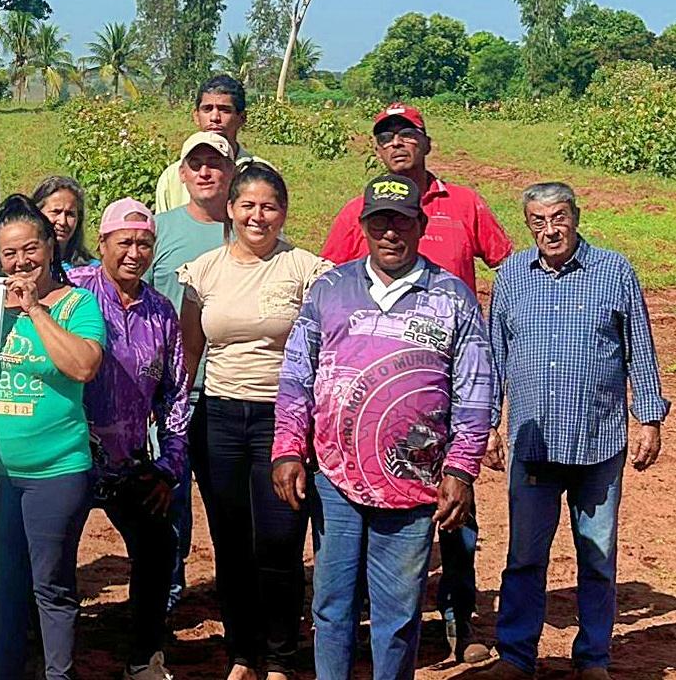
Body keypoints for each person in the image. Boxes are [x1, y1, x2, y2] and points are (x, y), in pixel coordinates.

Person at [273, 174, 493, 680]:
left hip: (412, 485)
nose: (390, 233)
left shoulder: (453, 297)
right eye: (379, 223)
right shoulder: (329, 290)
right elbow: (296, 375)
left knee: (397, 616)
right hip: (335, 479)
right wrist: (287, 448)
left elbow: (477, 389)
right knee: (332, 608)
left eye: (401, 222)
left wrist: (461, 469)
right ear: (363, 227)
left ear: (420, 225)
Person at [319, 103, 512, 662]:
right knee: (370, 529)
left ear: (427, 143)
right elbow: (329, 281)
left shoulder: (465, 203)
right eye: (386, 138)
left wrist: (497, 350)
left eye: (407, 135)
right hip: (375, 404)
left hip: (448, 386)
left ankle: (459, 621)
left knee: (457, 516)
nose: (397, 145)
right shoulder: (358, 210)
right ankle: (373, 626)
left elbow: (508, 268)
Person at [480, 183, 668, 680]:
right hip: (533, 443)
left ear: (576, 216)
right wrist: (488, 425)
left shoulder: (614, 270)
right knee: (524, 556)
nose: (550, 230)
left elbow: (640, 348)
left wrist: (649, 417)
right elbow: (494, 359)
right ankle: (515, 656)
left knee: (598, 557)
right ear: (528, 225)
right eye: (538, 221)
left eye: (559, 217)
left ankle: (593, 659)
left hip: (598, 442)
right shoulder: (512, 276)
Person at [177, 163, 331, 680]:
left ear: (283, 213)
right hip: (218, 418)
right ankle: (242, 653)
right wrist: (174, 418)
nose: (257, 216)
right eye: (248, 205)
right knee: (231, 543)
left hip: (282, 420)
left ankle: (282, 656)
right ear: (230, 209)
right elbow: (190, 353)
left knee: (280, 541)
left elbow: (327, 348)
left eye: (269, 207)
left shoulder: (307, 270)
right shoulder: (203, 272)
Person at [0, 195, 106, 680]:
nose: (21, 262)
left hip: (55, 472)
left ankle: (59, 674)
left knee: (50, 585)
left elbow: (83, 366)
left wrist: (35, 309)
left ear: (50, 247)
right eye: (9, 253)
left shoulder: (78, 304)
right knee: (1, 584)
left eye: (30, 249)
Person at [69, 198, 190, 680]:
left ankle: (144, 658)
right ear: (102, 244)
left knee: (158, 548)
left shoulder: (161, 312)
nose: (134, 254)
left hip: (130, 463)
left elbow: (176, 394)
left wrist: (169, 468)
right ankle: (49, 652)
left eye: (144, 244)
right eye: (124, 242)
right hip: (68, 458)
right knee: (52, 557)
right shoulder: (73, 292)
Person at [145, 130, 236, 613]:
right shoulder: (158, 230)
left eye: (215, 164)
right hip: (169, 391)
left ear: (231, 172)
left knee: (228, 500)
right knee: (169, 498)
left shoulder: (247, 228)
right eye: (195, 164)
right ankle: (168, 595)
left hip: (229, 390)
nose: (205, 172)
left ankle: (235, 592)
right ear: (181, 174)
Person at [153, 74, 258, 214]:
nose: (214, 117)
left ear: (242, 118)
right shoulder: (172, 177)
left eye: (225, 110)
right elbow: (164, 225)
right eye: (207, 109)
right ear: (196, 116)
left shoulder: (259, 172)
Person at [34, 175, 95, 268]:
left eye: (70, 214)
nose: (63, 222)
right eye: (56, 212)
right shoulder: (20, 266)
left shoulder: (93, 272)